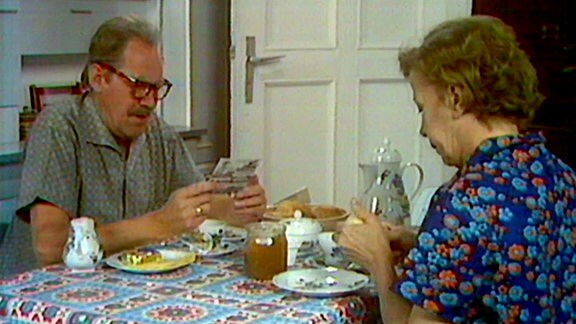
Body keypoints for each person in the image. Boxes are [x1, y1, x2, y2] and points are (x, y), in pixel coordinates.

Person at [339, 15, 576, 323]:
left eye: (422, 108)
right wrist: (420, 242)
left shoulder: (465, 202)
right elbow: (504, 256)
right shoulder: (558, 173)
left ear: (455, 98)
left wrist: (379, 262)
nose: (423, 130)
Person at [0, 15, 267, 277]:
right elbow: (51, 247)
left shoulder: (158, 133)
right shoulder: (59, 127)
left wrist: (238, 207)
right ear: (99, 78)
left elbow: (198, 205)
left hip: (122, 290)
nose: (150, 101)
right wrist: (158, 224)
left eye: (157, 88)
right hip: (42, 298)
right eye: (139, 86)